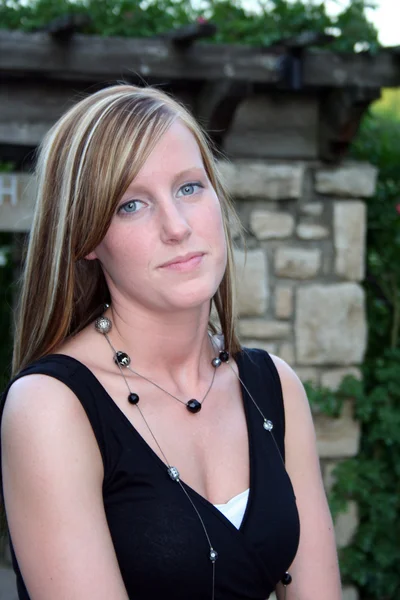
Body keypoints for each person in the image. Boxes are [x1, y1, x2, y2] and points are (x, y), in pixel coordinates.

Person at [0, 84, 342, 600]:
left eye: (189, 188)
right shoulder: (51, 408)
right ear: (87, 238)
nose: (177, 227)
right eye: (131, 205)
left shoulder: (273, 386)